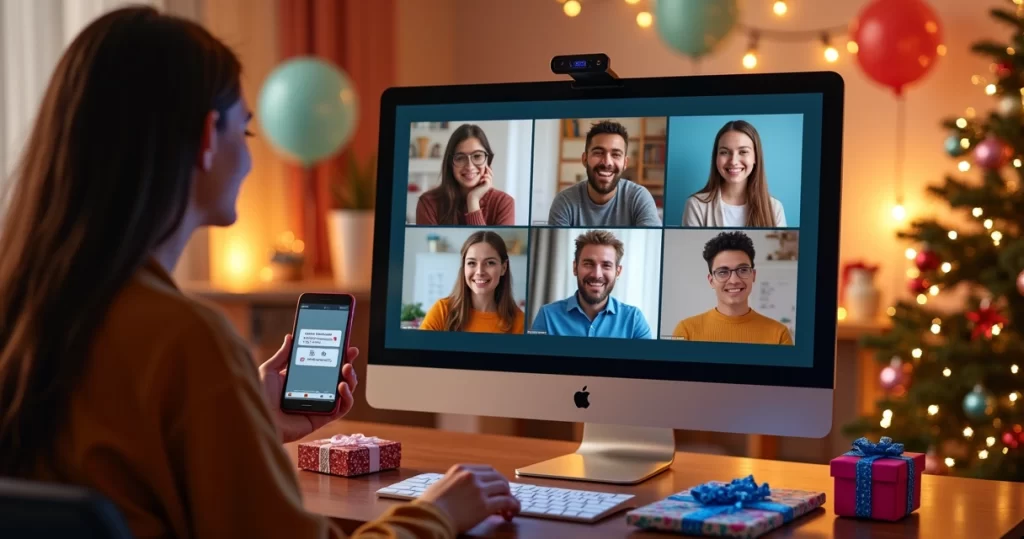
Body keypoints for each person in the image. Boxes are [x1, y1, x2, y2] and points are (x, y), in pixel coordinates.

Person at [0, 7, 519, 539]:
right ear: (207, 137)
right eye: (246, 130)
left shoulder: (26, 312)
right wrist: (438, 510)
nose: (249, 160)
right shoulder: (185, 340)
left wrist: (245, 423)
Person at [672, 231, 793, 345]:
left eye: (743, 270)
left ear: (753, 275)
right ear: (711, 281)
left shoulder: (779, 335)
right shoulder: (685, 331)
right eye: (723, 272)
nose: (734, 280)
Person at [531, 230, 652, 339]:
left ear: (618, 272)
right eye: (588, 264)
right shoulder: (547, 316)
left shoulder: (634, 321)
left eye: (606, 265)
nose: (596, 274)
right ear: (575, 267)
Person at [547, 120, 661, 227]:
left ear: (625, 163)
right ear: (585, 159)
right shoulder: (564, 202)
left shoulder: (639, 198)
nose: (607, 162)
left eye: (615, 154)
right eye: (598, 153)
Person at [681, 120, 787, 228]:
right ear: (716, 157)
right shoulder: (695, 205)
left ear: (755, 157)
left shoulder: (774, 208)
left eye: (743, 152)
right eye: (724, 152)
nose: (733, 161)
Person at [419, 231, 525, 334]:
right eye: (471, 263)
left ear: (503, 267)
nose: (479, 272)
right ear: (464, 267)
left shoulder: (519, 322)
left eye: (490, 263)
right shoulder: (441, 311)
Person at [415, 124, 515, 225]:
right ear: (450, 163)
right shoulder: (428, 203)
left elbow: (483, 241)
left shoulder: (504, 203)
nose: (469, 166)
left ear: (488, 161)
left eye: (477, 156)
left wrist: (473, 200)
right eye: (460, 158)